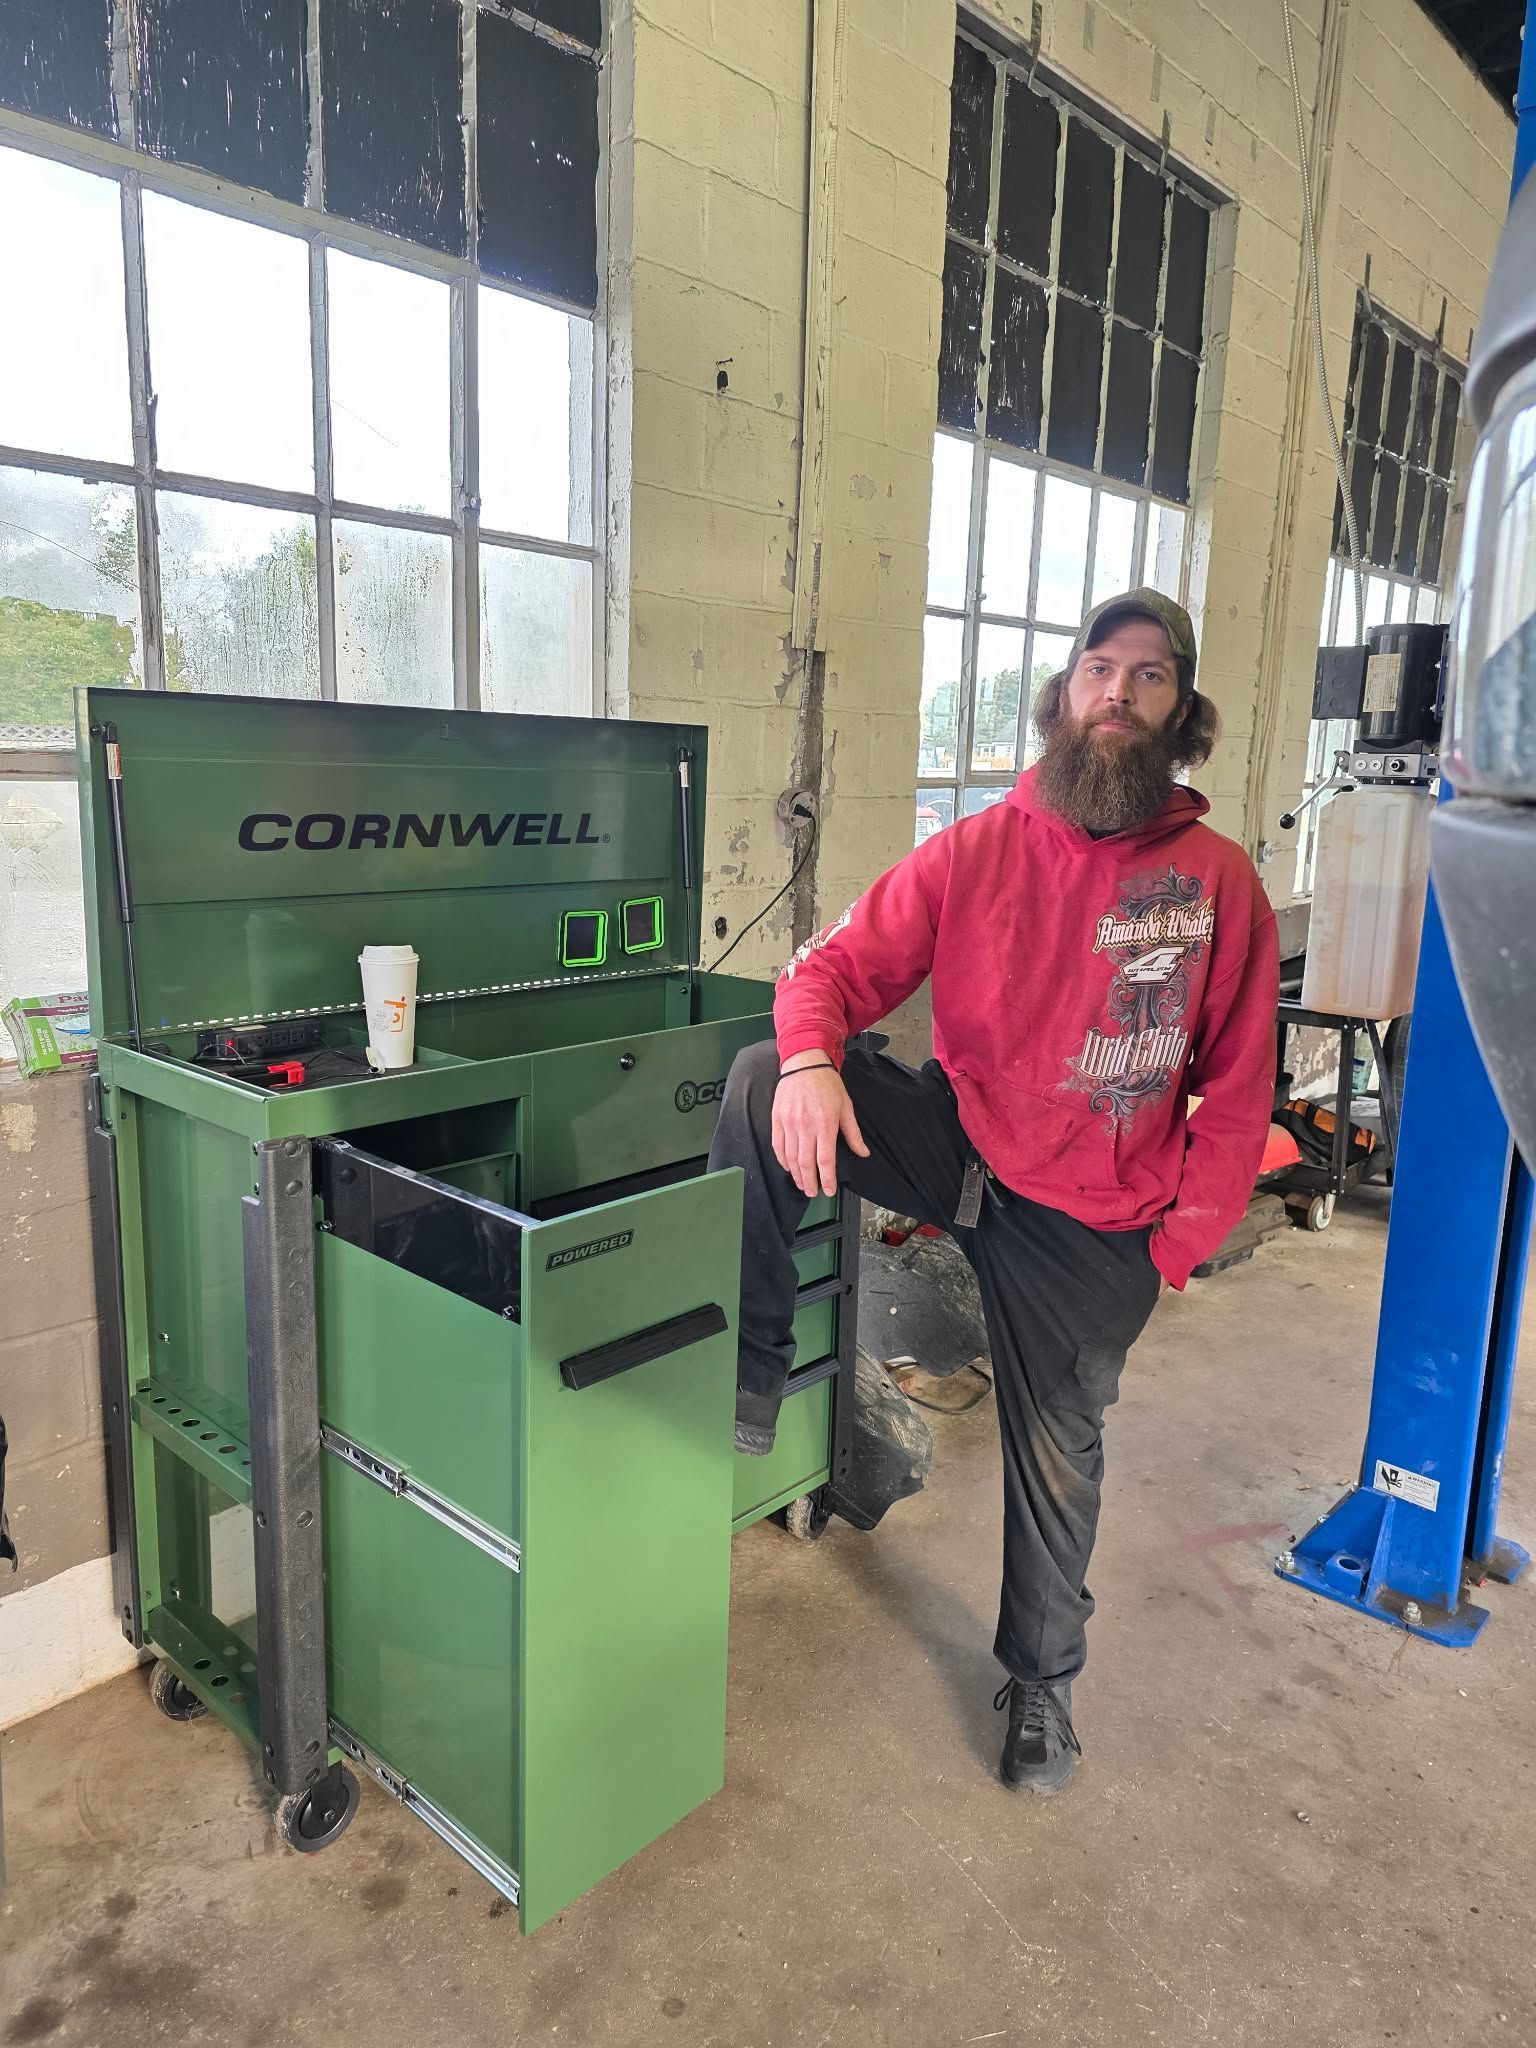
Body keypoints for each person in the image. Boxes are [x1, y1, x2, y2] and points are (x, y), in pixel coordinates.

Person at [708, 588, 1279, 1797]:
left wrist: (1175, 1249)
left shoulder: (1217, 882)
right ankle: (749, 1369)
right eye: (1098, 667)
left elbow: (1237, 1093)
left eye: (1151, 674)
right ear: (1064, 696)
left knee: (1058, 1455)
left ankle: (1041, 1684)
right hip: (964, 1145)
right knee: (763, 1077)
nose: (1119, 688)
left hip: (1095, 1219)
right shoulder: (977, 848)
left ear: (1184, 716)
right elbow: (833, 968)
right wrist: (813, 1058)